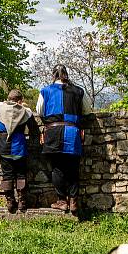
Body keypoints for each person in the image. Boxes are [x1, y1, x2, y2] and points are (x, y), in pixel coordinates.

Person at [36, 64, 93, 215]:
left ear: (53, 75)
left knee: (57, 168)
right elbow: (88, 111)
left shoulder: (45, 91)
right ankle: (73, 201)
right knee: (73, 167)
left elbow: (39, 111)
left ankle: (62, 200)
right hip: (72, 132)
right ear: (67, 74)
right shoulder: (78, 91)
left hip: (53, 132)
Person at [0, 89, 39, 213]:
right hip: (19, 145)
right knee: (21, 175)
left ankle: (10, 201)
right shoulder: (26, 112)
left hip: (4, 145)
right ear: (20, 100)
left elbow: (1, 104)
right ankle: (22, 202)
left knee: (7, 175)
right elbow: (34, 130)